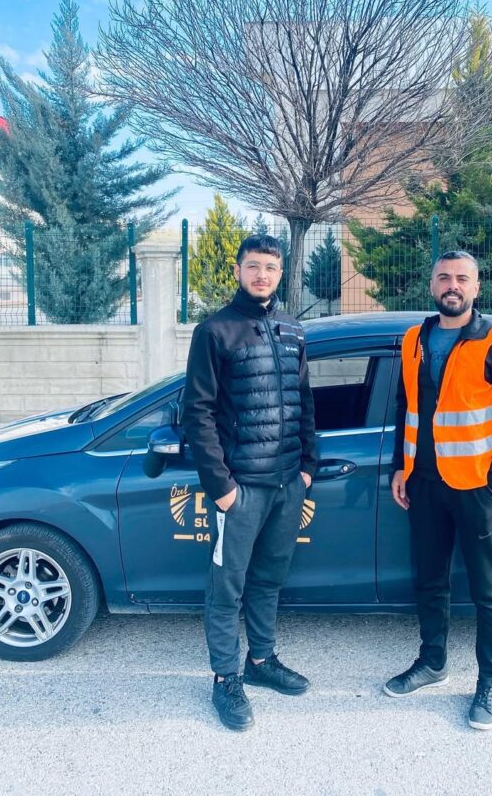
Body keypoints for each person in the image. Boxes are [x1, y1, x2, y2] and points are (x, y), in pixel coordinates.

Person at [386, 251, 492, 731]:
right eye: (444, 277)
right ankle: (432, 662)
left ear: (475, 288)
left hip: (474, 488)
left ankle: (491, 679)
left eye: (462, 278)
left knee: (488, 590)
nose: (453, 285)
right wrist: (400, 467)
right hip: (423, 483)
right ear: (432, 285)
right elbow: (405, 407)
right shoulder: (413, 339)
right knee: (429, 580)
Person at [181, 233, 317, 732]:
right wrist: (221, 487)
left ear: (281, 274)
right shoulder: (214, 331)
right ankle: (225, 678)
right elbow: (197, 413)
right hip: (241, 489)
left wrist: (307, 467)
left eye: (271, 268)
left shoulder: (292, 329)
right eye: (254, 266)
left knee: (269, 579)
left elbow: (304, 401)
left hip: (287, 485)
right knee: (227, 587)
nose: (262, 275)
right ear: (238, 270)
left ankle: (261, 661)